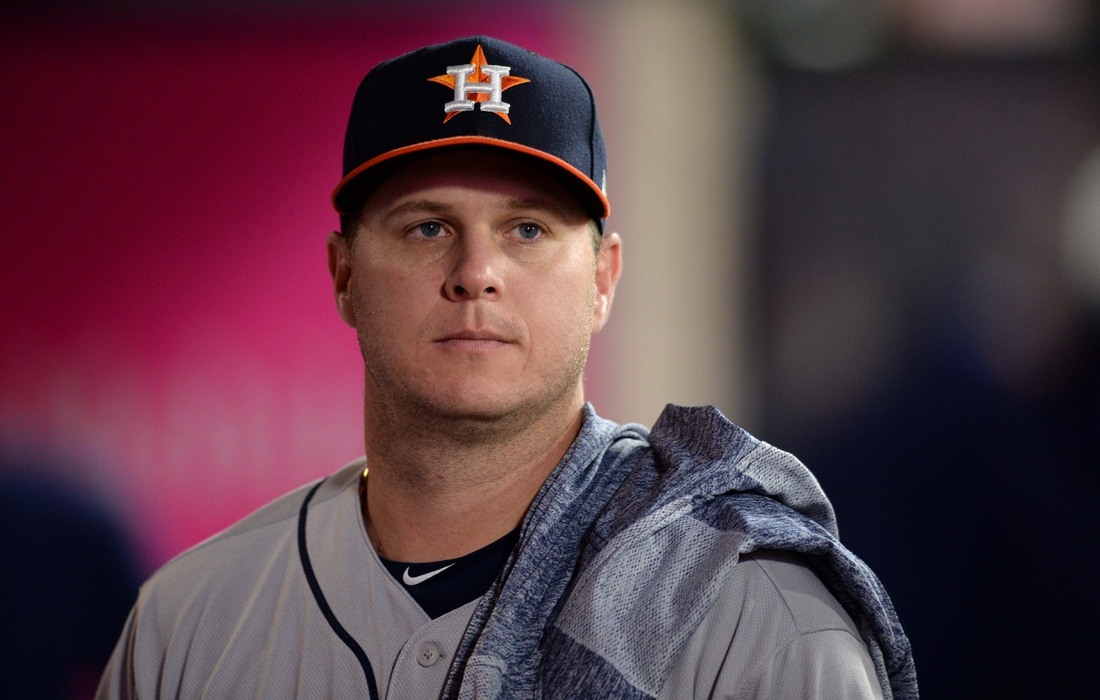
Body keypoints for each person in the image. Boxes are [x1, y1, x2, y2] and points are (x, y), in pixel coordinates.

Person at [96, 36, 917, 700]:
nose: (475, 271)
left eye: (527, 230)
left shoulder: (756, 620)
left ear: (602, 279)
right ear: (344, 275)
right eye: (426, 228)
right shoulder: (192, 620)